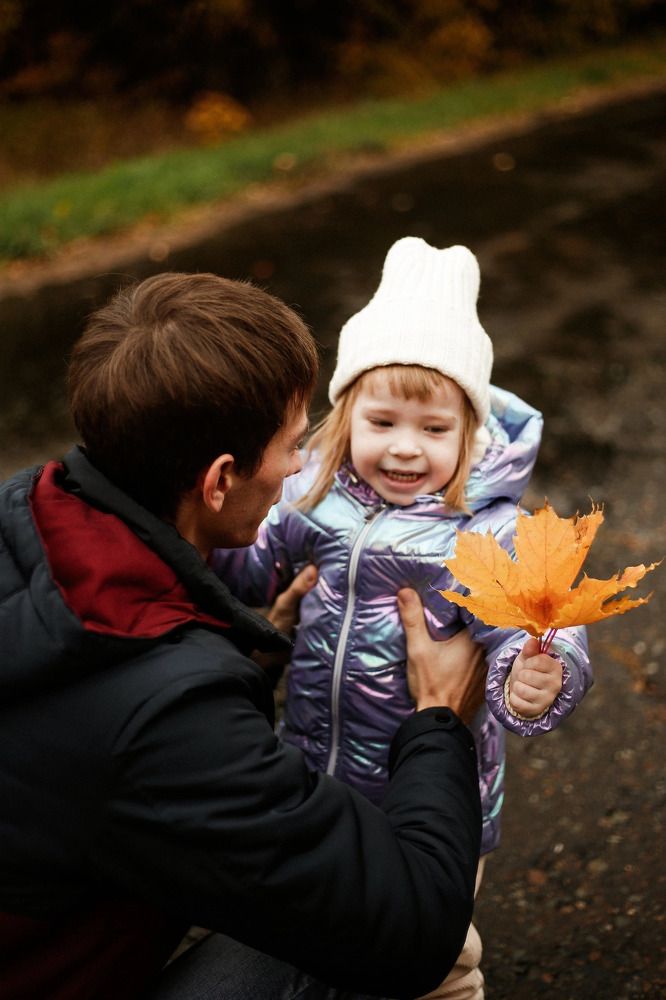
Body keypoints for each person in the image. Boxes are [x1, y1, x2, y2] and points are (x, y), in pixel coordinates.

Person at [0, 271, 488, 1000]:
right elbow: (415, 924)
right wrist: (439, 719)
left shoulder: (20, 510)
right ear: (221, 479)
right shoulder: (167, 718)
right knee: (350, 935)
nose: (299, 467)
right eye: (292, 447)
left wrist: (244, 645)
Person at [212, 238, 593, 1000]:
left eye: (434, 428)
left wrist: (536, 675)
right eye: (383, 421)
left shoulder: (486, 533)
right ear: (348, 414)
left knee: (432, 954)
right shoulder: (310, 500)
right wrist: (207, 535)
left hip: (434, 796)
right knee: (329, 931)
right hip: (317, 775)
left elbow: (533, 624)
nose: (406, 448)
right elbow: (252, 571)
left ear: (471, 433)